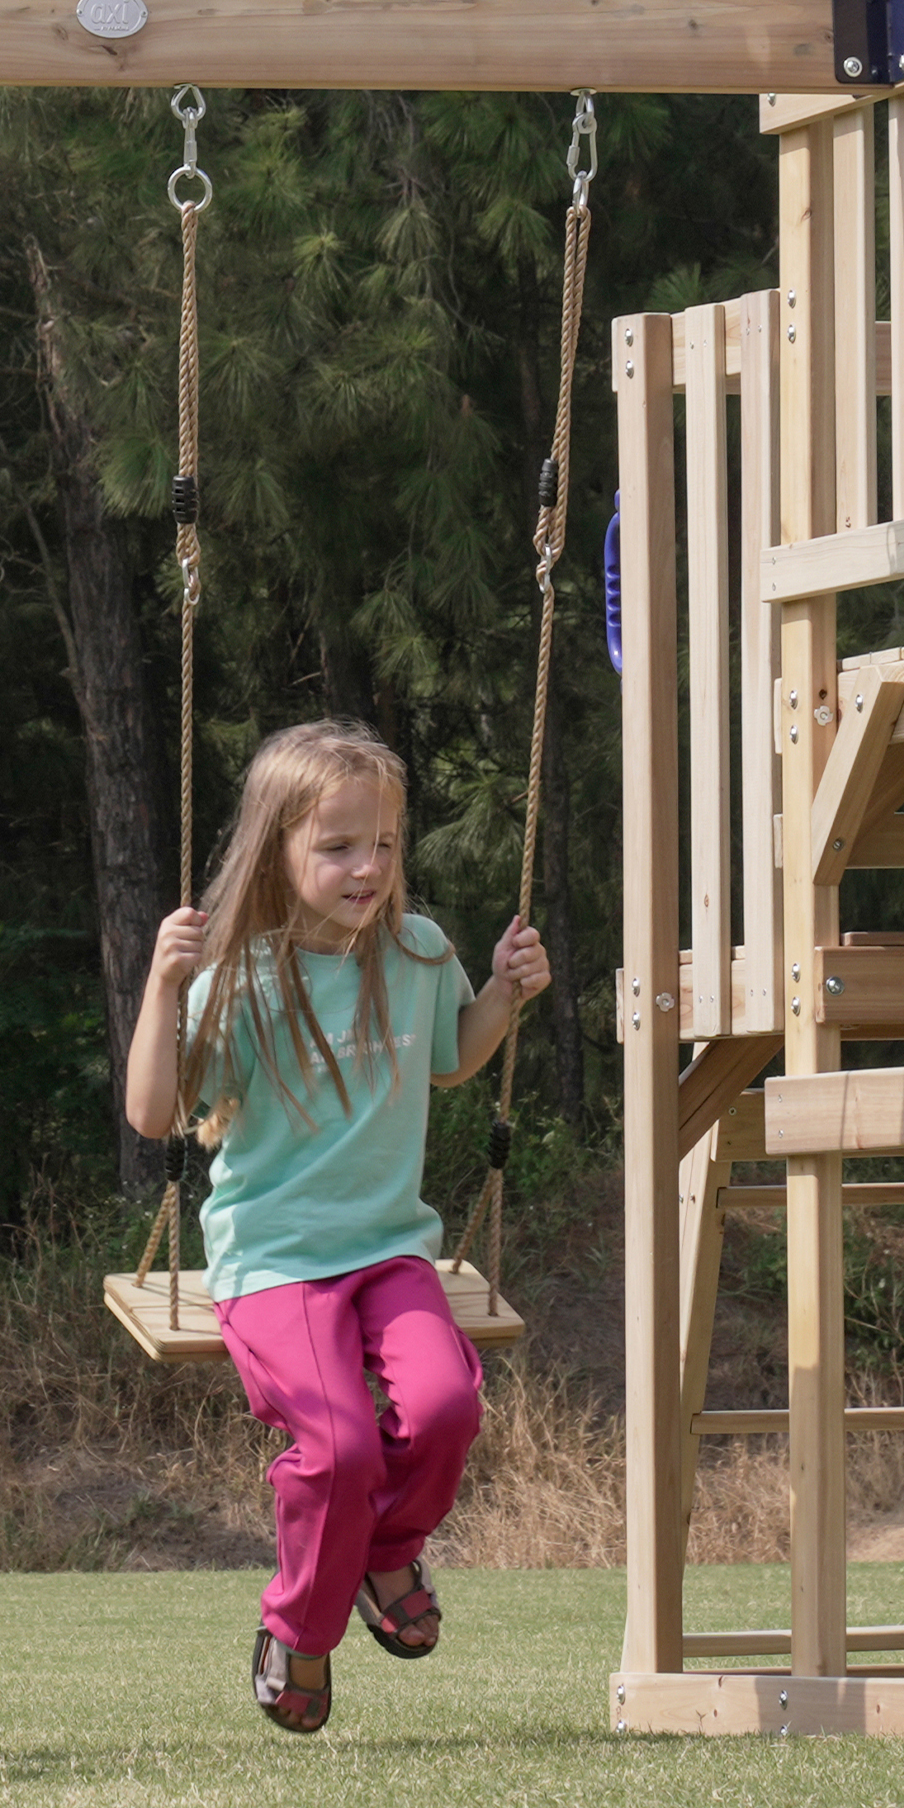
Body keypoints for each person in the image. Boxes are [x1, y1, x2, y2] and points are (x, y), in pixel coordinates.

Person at [121, 720, 552, 1736]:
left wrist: (501, 990)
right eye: (338, 847)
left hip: (389, 1248)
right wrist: (160, 985)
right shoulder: (238, 979)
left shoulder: (415, 949)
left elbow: (449, 1056)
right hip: (273, 1264)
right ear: (279, 851)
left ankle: (388, 1552)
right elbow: (150, 1115)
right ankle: (300, 1629)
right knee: (338, 1447)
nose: (369, 868)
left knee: (446, 1408)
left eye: (386, 845)